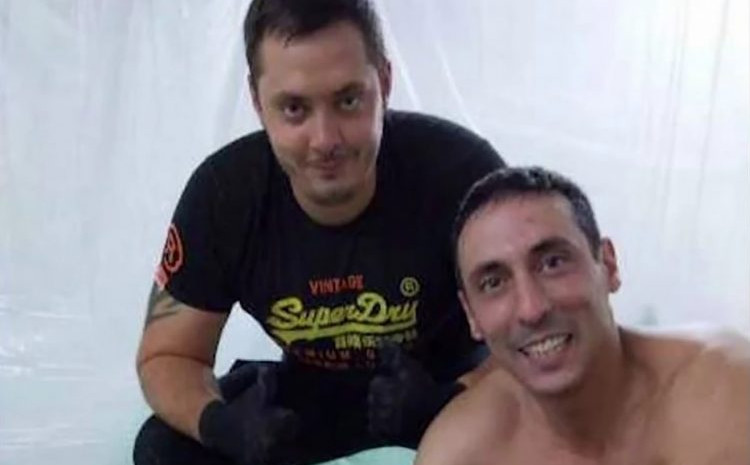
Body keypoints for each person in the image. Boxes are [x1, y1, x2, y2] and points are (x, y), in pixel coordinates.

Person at [132, 0, 505, 464]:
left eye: (348, 101)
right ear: (258, 103)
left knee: (538, 420)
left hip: (446, 388)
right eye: (294, 108)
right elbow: (167, 355)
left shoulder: (464, 177)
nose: (325, 140)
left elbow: (542, 334)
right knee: (163, 448)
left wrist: (455, 397)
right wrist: (220, 424)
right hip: (309, 395)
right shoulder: (223, 194)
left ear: (384, 84)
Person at [414, 166, 750, 465]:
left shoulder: (721, 392)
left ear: (608, 265)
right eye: (494, 283)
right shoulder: (460, 452)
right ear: (471, 314)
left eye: (553, 263)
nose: (532, 309)